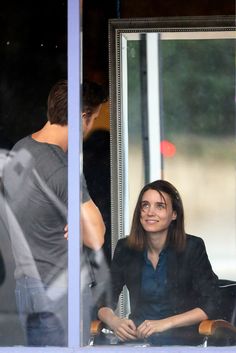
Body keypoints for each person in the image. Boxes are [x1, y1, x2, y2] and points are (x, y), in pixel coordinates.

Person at [7, 79, 107, 346]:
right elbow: (96, 236)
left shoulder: (20, 150)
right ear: (83, 117)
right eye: (94, 119)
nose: (91, 127)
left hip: (26, 286)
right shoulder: (62, 167)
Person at [98, 179, 220, 346]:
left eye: (160, 206)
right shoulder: (125, 248)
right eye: (145, 205)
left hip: (182, 343)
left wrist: (165, 323)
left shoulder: (192, 247)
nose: (150, 212)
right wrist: (114, 321)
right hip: (137, 342)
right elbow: (104, 300)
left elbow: (211, 303)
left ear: (174, 214)